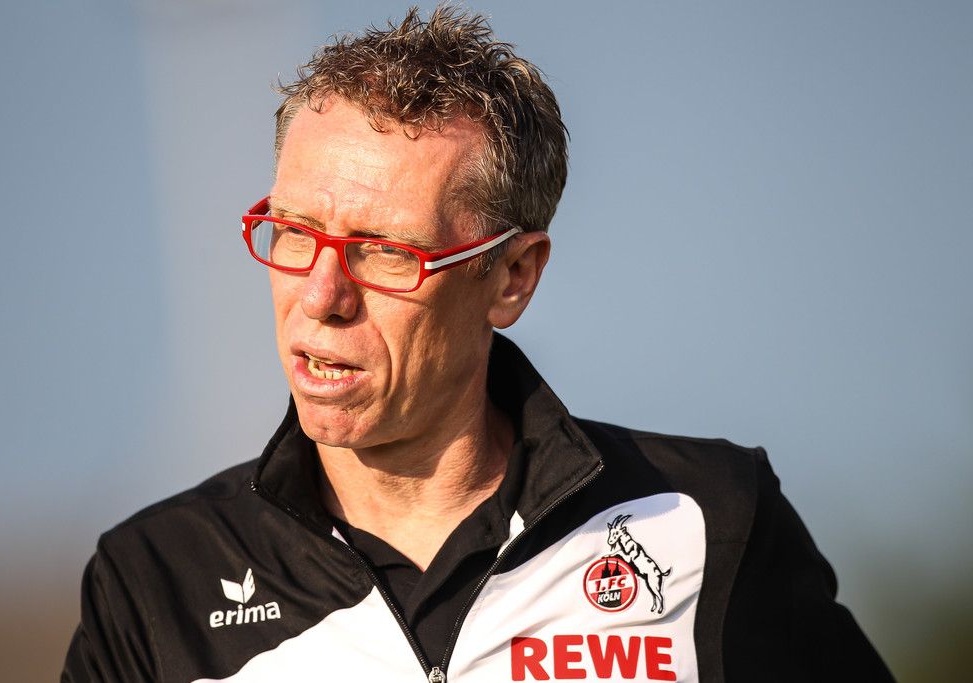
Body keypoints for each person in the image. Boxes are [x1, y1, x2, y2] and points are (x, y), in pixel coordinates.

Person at [62, 6, 893, 682]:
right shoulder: (153, 580)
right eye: (294, 232)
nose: (320, 296)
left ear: (512, 277)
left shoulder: (708, 517)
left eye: (384, 250)